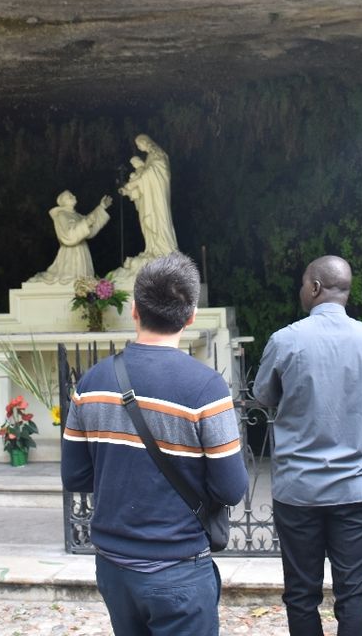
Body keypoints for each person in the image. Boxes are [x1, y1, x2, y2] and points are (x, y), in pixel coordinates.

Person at [62, 252, 248, 636]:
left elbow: (76, 476)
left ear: (134, 310)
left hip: (113, 566)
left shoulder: (91, 383)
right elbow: (231, 488)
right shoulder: (205, 388)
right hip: (177, 565)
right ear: (191, 315)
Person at [253, 255, 362, 636]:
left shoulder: (285, 340)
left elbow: (263, 396)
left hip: (299, 491)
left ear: (314, 287)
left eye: (302, 283)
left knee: (300, 593)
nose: (301, 290)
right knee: (353, 593)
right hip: (355, 489)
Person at [30, 191, 113, 283]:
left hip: (82, 249)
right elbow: (68, 235)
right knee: (71, 278)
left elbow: (89, 225)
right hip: (71, 253)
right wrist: (86, 223)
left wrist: (101, 207)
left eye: (72, 194)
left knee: (84, 280)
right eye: (70, 196)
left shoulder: (77, 215)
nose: (73, 196)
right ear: (63, 201)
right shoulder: (61, 215)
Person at [119, 134, 178, 259]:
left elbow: (154, 172)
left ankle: (164, 250)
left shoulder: (157, 153)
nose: (139, 147)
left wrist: (133, 184)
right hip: (148, 198)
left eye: (139, 144)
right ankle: (152, 249)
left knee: (158, 220)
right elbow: (143, 181)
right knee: (147, 223)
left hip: (157, 197)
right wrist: (129, 190)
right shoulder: (149, 157)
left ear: (145, 142)